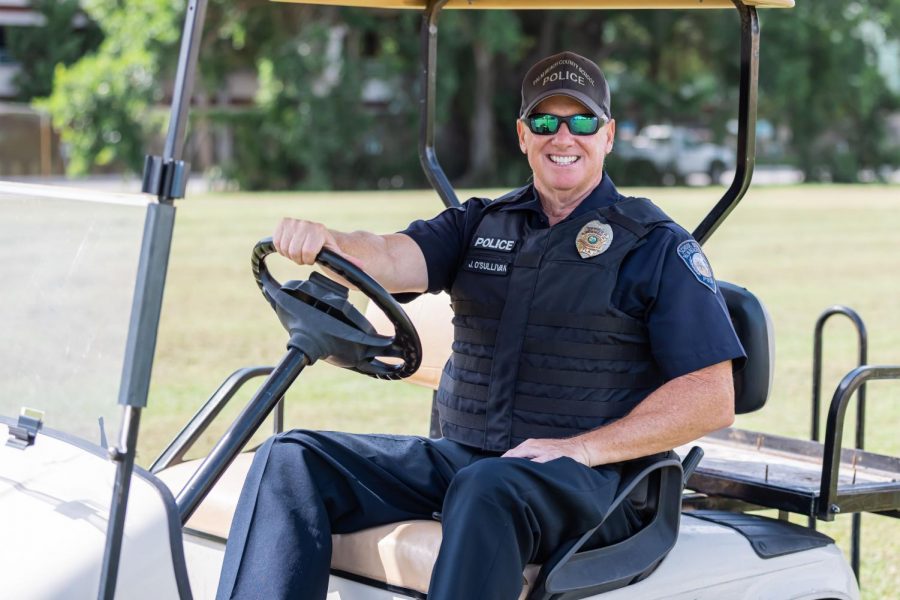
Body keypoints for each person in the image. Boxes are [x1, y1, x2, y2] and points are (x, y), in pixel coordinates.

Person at [216, 51, 745, 600]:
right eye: (544, 121)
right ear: (522, 135)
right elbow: (390, 255)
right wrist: (329, 243)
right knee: (291, 458)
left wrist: (582, 449)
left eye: (581, 121)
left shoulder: (655, 245)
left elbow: (710, 396)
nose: (563, 136)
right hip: (467, 458)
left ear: (607, 136)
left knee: (486, 488)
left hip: (594, 481)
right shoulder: (480, 224)